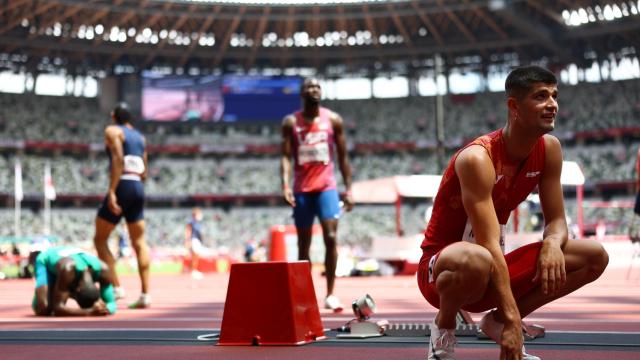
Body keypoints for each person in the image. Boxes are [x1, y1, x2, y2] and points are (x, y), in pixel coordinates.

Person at [417, 66, 609, 360]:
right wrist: (514, 323)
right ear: (514, 106)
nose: (552, 104)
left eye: (554, 96)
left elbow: (557, 220)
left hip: (493, 265)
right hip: (444, 268)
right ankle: (443, 329)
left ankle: (493, 321)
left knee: (593, 256)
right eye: (540, 96)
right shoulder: (477, 158)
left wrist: (551, 244)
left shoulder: (550, 150)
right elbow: (487, 242)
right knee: (475, 258)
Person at [281, 77, 354, 312]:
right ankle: (304, 295)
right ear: (302, 94)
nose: (314, 90)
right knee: (304, 245)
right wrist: (285, 185)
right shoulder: (291, 122)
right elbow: (285, 156)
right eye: (309, 87)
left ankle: (330, 294)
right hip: (302, 189)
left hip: (327, 187)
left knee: (331, 237)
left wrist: (349, 188)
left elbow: (343, 157)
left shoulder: (333, 120)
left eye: (317, 87)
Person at [93, 102, 151, 309]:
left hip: (122, 184)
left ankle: (117, 288)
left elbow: (118, 158)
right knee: (140, 242)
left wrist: (112, 191)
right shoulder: (141, 138)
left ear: (113, 115)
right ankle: (145, 295)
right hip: (137, 186)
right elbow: (144, 169)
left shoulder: (112, 130)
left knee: (100, 239)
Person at [32, 246, 116, 316]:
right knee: (43, 309)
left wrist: (105, 308)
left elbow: (112, 304)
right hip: (46, 261)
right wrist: (89, 312)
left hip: (67, 263)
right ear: (75, 290)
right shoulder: (68, 269)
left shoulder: (104, 270)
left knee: (56, 295)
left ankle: (55, 289)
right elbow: (57, 308)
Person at [185, 207, 206, 279]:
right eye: (199, 214)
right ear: (195, 214)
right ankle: (193, 271)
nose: (200, 216)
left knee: (196, 256)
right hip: (193, 240)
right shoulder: (191, 221)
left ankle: (193, 270)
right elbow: (188, 231)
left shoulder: (197, 223)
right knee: (195, 255)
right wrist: (187, 240)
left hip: (197, 240)